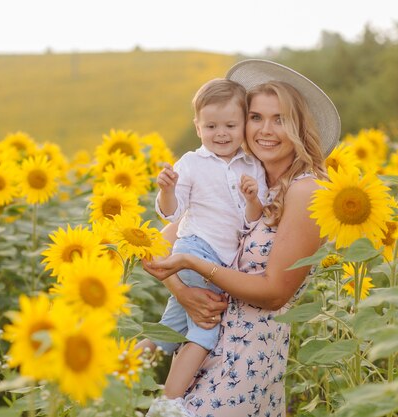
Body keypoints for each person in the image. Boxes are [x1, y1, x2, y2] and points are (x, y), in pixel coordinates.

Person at [143, 59, 340, 417]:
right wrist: (184, 293)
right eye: (256, 117)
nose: (266, 129)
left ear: (298, 127)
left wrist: (191, 264)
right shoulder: (232, 178)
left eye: (279, 119)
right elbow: (158, 246)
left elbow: (274, 293)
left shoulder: (306, 191)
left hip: (243, 364)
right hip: (202, 346)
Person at [138, 78, 268, 403]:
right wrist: (167, 191)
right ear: (197, 127)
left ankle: (113, 375)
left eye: (230, 125)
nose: (221, 133)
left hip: (215, 261)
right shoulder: (191, 163)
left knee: (168, 329)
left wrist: (253, 198)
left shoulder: (252, 166)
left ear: (243, 126)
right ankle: (168, 404)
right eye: (211, 126)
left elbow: (254, 220)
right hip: (196, 251)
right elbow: (172, 213)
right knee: (205, 331)